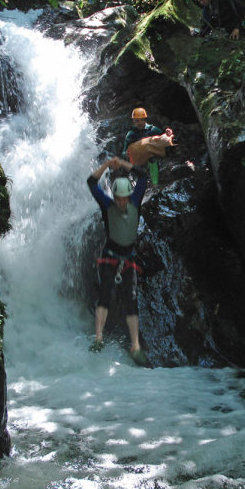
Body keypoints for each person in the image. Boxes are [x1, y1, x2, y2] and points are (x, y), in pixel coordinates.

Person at [87, 155, 148, 365]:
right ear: (114, 196)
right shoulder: (107, 204)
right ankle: (98, 339)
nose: (121, 202)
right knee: (104, 295)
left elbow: (143, 176)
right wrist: (106, 165)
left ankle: (136, 347)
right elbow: (91, 182)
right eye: (118, 198)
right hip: (110, 257)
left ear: (129, 195)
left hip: (128, 258)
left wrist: (122, 164)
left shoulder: (135, 200)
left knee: (132, 300)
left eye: (124, 198)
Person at [122, 107, 174, 185]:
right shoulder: (131, 134)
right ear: (133, 121)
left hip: (150, 155)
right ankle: (140, 185)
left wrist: (168, 131)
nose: (140, 123)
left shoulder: (152, 129)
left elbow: (164, 136)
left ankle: (155, 184)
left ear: (146, 120)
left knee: (153, 161)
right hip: (138, 158)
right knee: (137, 168)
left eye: (142, 120)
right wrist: (125, 153)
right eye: (137, 121)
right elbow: (123, 151)